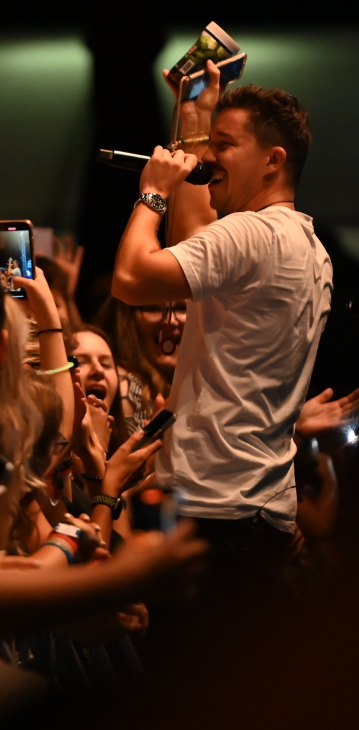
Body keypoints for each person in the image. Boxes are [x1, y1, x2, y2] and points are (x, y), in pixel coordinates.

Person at [112, 65, 333, 580]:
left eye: (224, 146)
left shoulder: (250, 235)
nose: (207, 158)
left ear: (272, 161)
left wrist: (153, 191)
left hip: (215, 507)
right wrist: (193, 113)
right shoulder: (305, 244)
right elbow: (193, 237)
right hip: (252, 504)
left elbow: (129, 278)